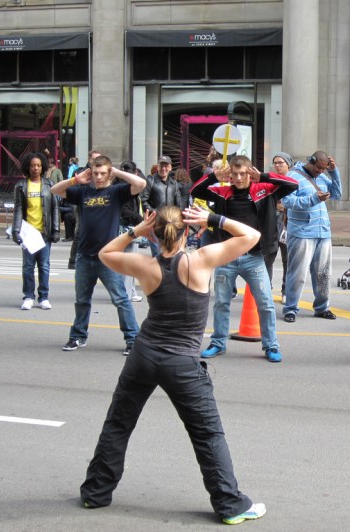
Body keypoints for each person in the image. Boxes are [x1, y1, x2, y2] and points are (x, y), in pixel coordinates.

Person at [79, 206, 266, 526]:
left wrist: (137, 230)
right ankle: (230, 504)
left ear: (156, 232)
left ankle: (95, 493)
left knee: (118, 423)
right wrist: (212, 219)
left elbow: (105, 253)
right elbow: (252, 236)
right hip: (182, 363)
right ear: (187, 232)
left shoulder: (145, 264)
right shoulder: (201, 259)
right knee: (208, 435)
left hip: (144, 355)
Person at [190, 155, 298, 362]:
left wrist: (264, 176)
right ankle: (218, 343)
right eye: (234, 174)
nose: (238, 178)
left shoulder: (264, 189)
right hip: (226, 256)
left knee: (265, 303)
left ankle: (271, 346)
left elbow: (292, 184)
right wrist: (214, 176)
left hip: (254, 257)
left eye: (242, 174)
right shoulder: (222, 191)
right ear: (229, 174)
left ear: (249, 172)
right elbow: (195, 191)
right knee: (221, 303)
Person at [51, 155, 146, 355]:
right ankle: (77, 336)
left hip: (108, 256)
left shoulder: (117, 192)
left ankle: (132, 339)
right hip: (84, 256)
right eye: (96, 173)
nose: (99, 177)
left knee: (120, 299)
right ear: (90, 172)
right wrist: (76, 180)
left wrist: (117, 172)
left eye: (103, 173)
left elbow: (141, 183)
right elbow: (55, 190)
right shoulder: (82, 192)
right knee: (82, 300)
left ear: (109, 173)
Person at [282, 151, 342, 323]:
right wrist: (314, 199)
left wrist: (334, 172)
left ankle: (322, 307)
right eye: (318, 168)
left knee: (323, 273)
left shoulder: (323, 177)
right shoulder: (292, 176)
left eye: (324, 169)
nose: (320, 172)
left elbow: (337, 194)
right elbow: (287, 202)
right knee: (298, 273)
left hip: (322, 231)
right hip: (302, 232)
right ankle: (291, 308)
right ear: (311, 161)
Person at [11, 152, 60, 310]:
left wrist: (56, 230)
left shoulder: (49, 184)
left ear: (43, 167)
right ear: (28, 167)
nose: (36, 168)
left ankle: (44, 297)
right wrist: (15, 230)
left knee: (44, 266)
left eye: (38, 165)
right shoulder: (21, 186)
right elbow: (18, 210)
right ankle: (28, 296)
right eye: (32, 165)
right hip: (28, 234)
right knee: (28, 267)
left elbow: (54, 209)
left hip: (44, 233)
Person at [140, 155, 182, 256]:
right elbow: (144, 200)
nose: (164, 169)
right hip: (155, 224)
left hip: (171, 225)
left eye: (166, 166)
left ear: (170, 167)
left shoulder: (174, 183)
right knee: (158, 255)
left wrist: (178, 219)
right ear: (157, 167)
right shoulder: (150, 180)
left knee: (170, 254)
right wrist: (155, 213)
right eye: (161, 166)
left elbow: (178, 204)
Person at [266, 151, 294, 304]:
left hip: (288, 223)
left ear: (288, 164)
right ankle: (266, 289)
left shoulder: (294, 180)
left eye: (280, 163)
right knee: (268, 258)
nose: (277, 165)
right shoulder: (271, 180)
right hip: (271, 223)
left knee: (288, 260)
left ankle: (286, 290)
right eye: (275, 163)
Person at [68, 150, 102, 270]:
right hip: (82, 205)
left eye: (99, 159)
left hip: (97, 205)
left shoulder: (99, 172)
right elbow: (72, 189)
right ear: (89, 159)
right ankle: (73, 260)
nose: (97, 161)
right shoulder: (81, 172)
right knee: (80, 231)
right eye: (94, 159)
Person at [119, 161, 146, 303]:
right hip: (126, 228)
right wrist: (140, 220)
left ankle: (131, 291)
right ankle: (126, 293)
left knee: (132, 262)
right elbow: (124, 210)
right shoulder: (123, 189)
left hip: (132, 228)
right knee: (129, 263)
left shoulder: (129, 188)